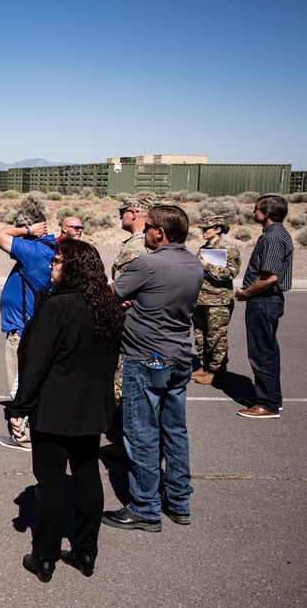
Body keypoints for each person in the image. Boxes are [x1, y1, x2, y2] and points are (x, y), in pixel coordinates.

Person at [10, 239, 123, 582]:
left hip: (55, 409)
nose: (51, 266)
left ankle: (44, 556)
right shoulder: (107, 305)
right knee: (87, 477)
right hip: (91, 408)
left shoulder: (58, 307)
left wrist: (20, 408)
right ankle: (86, 552)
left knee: (50, 484)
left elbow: (36, 364)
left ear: (73, 266)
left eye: (57, 261)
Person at [103, 204, 203, 532]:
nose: (145, 233)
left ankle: (145, 506)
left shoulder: (147, 264)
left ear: (160, 232)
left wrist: (126, 301)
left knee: (142, 432)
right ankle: (178, 501)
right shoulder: (193, 263)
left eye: (148, 228)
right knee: (175, 431)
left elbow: (112, 294)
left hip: (146, 357)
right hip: (179, 356)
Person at [0, 206, 55, 451]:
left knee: (20, 386)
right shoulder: (49, 248)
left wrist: (26, 230)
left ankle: (24, 437)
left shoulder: (33, 251)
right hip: (32, 327)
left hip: (22, 331)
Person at [102, 196, 155, 461]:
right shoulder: (151, 243)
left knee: (124, 388)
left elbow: (123, 291)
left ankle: (131, 445)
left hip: (130, 324)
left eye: (123, 212)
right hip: (147, 325)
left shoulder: (134, 247)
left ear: (134, 213)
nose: (120, 216)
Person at [235, 195, 294, 419]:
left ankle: (267, 405)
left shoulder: (272, 238)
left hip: (264, 300)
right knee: (266, 351)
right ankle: (271, 398)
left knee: (262, 353)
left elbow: (269, 277)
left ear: (267, 212)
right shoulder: (274, 235)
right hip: (266, 300)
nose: (253, 212)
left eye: (256, 208)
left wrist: (246, 293)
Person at [191, 215, 241, 386]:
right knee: (200, 335)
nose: (203, 231)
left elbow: (231, 273)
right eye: (202, 229)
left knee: (216, 337)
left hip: (218, 301)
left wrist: (208, 267)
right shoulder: (204, 248)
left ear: (218, 229)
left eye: (206, 228)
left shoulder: (229, 249)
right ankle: (204, 367)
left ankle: (216, 372)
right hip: (200, 299)